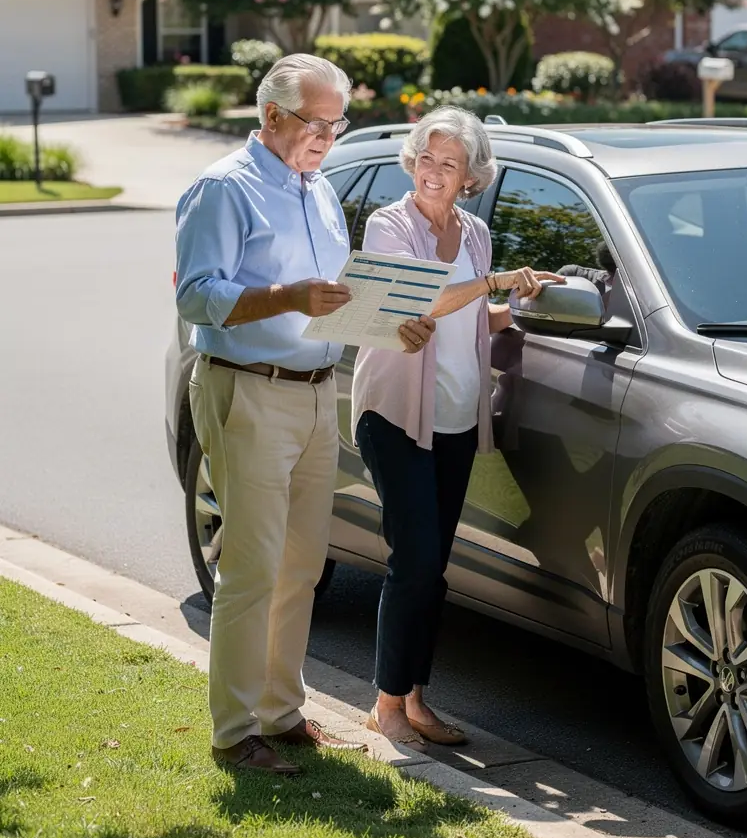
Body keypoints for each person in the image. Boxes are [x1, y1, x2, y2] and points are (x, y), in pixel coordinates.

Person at [175, 54, 433, 775]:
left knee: (301, 566)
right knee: (252, 569)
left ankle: (281, 714)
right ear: (271, 116)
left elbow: (338, 297)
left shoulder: (317, 190)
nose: (326, 137)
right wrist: (285, 297)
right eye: (315, 123)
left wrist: (393, 325)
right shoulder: (224, 188)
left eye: (336, 124)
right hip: (248, 388)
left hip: (318, 391)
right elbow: (195, 296)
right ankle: (235, 734)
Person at [352, 106, 563, 748]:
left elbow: (472, 315)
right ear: (412, 161)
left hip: (455, 420)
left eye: (449, 163)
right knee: (413, 561)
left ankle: (416, 700)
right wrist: (491, 283)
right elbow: (419, 300)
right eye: (426, 157)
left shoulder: (475, 234)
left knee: (434, 567)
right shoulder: (389, 225)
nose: (434, 172)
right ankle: (386, 705)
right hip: (394, 416)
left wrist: (523, 302)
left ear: (471, 176)